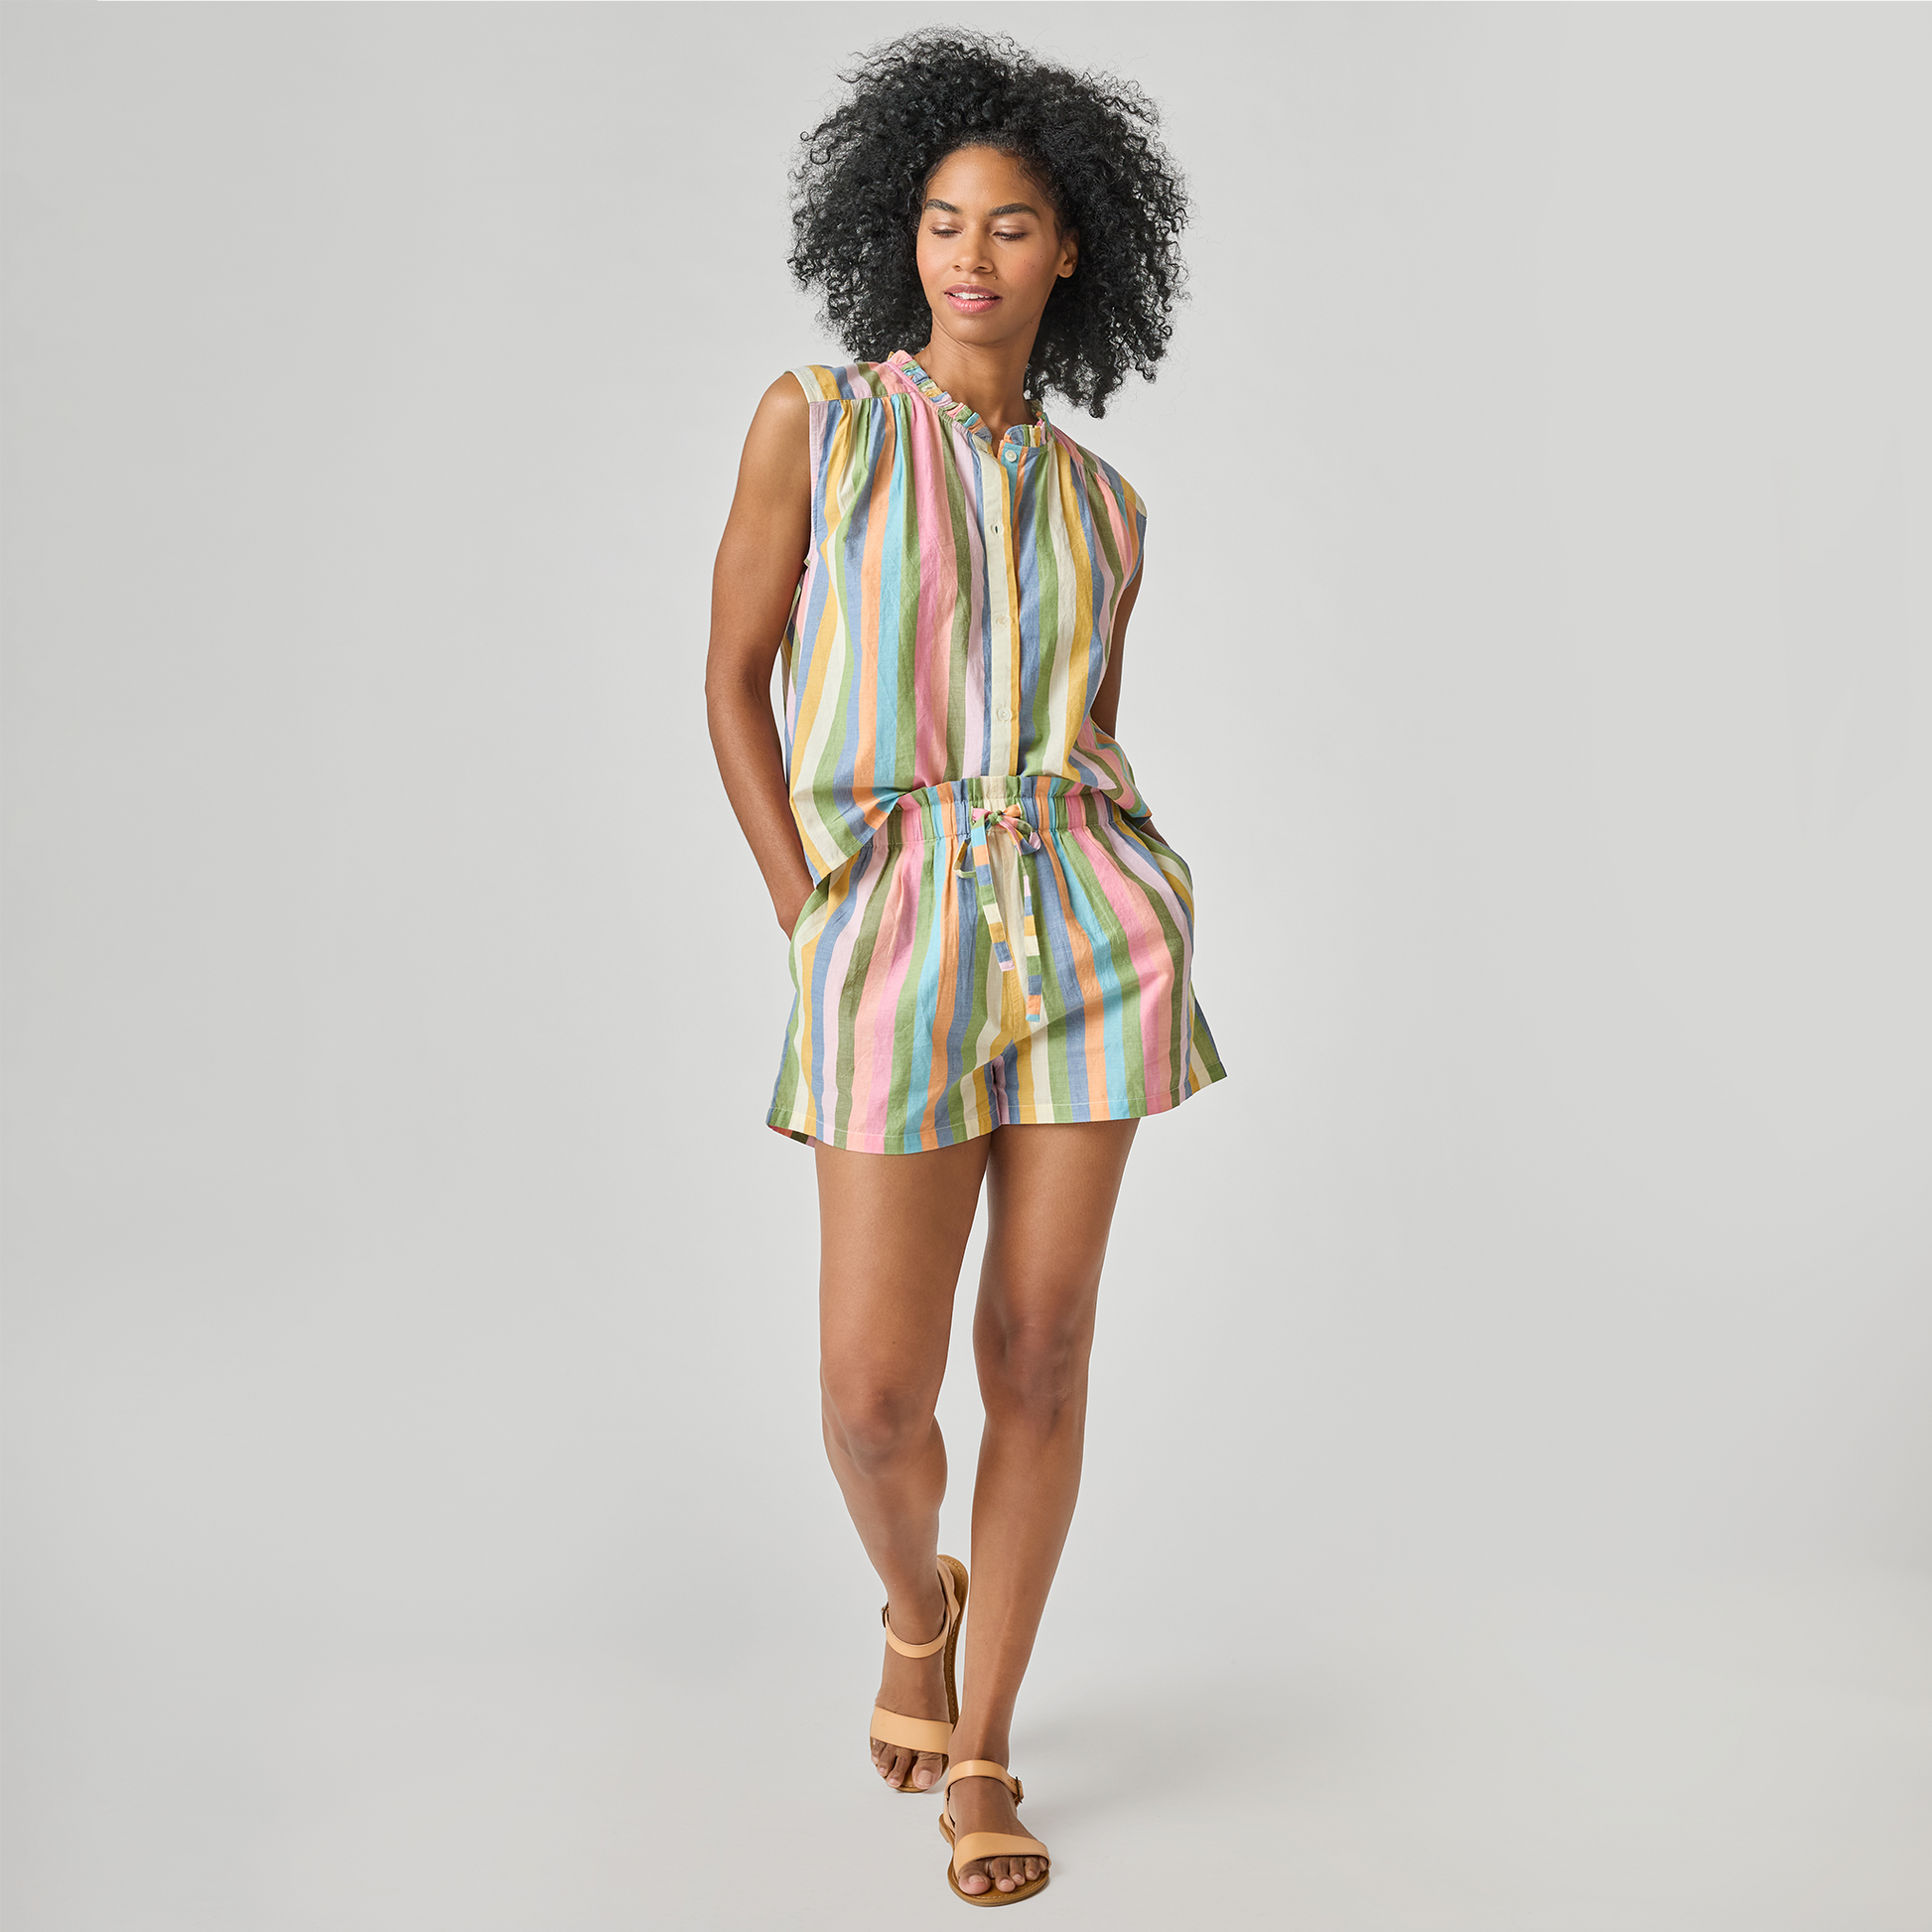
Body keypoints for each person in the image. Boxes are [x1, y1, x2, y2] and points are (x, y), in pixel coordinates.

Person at [704, 29, 1226, 1906]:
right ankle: (913, 1606)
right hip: (890, 933)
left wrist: (1136, 892)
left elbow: (1090, 733)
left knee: (1041, 1347)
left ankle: (986, 1743)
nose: (971, 255)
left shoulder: (1108, 507)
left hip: (1086, 936)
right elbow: (733, 682)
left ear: (1070, 249)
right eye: (941, 221)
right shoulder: (818, 423)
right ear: (899, 236)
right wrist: (812, 914)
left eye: (1008, 224)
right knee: (869, 1392)